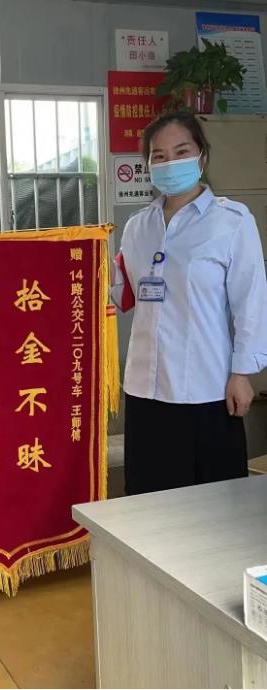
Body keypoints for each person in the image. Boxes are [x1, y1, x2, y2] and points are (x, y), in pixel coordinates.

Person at [112, 110, 267, 496]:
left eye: (181, 151)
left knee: (213, 505)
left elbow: (251, 302)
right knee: (148, 501)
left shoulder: (232, 222)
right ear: (149, 165)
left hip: (207, 389)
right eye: (159, 156)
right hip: (145, 391)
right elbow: (121, 291)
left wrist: (242, 373)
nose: (170, 163)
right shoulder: (137, 227)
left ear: (202, 156)